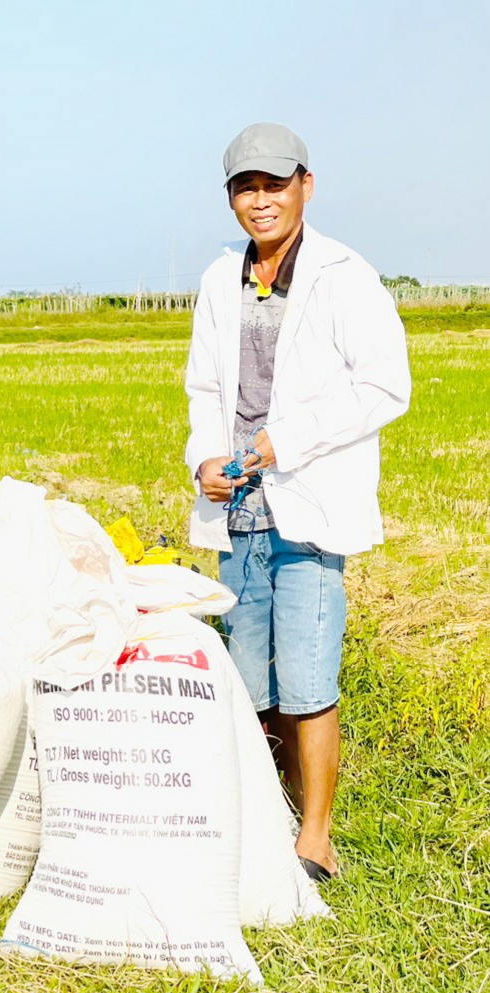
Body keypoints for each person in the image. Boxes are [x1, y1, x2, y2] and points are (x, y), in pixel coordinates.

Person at [184, 123, 410, 881]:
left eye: (273, 185)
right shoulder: (220, 279)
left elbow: (384, 386)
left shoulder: (346, 276)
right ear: (229, 199)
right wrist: (203, 461)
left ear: (304, 187)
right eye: (245, 187)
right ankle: (263, 820)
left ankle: (314, 840)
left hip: (307, 504)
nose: (260, 200)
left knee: (307, 674)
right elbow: (206, 389)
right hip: (238, 509)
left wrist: (288, 441)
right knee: (248, 679)